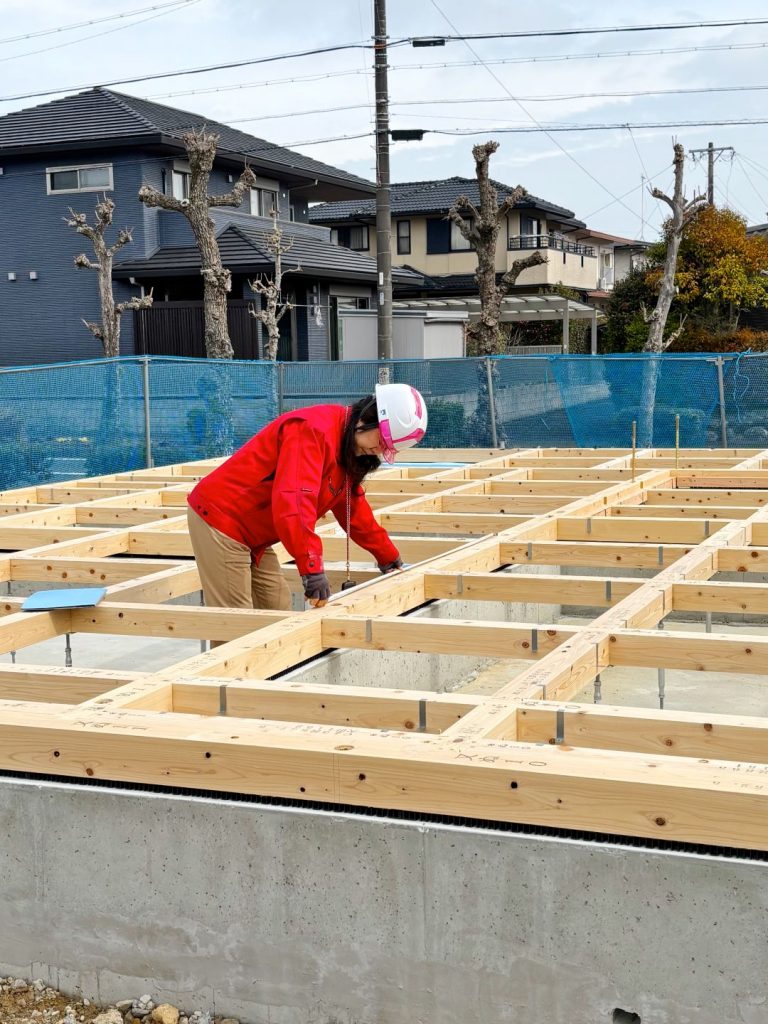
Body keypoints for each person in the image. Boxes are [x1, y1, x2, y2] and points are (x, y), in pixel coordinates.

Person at [187, 382, 428, 612]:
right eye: (382, 441)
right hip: (222, 519)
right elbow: (294, 501)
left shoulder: (348, 448)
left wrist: (388, 556)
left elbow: (354, 511)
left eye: (387, 448)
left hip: (253, 532)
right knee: (237, 621)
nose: (379, 450)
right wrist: (311, 567)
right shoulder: (313, 430)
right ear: (368, 417)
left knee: (277, 608)